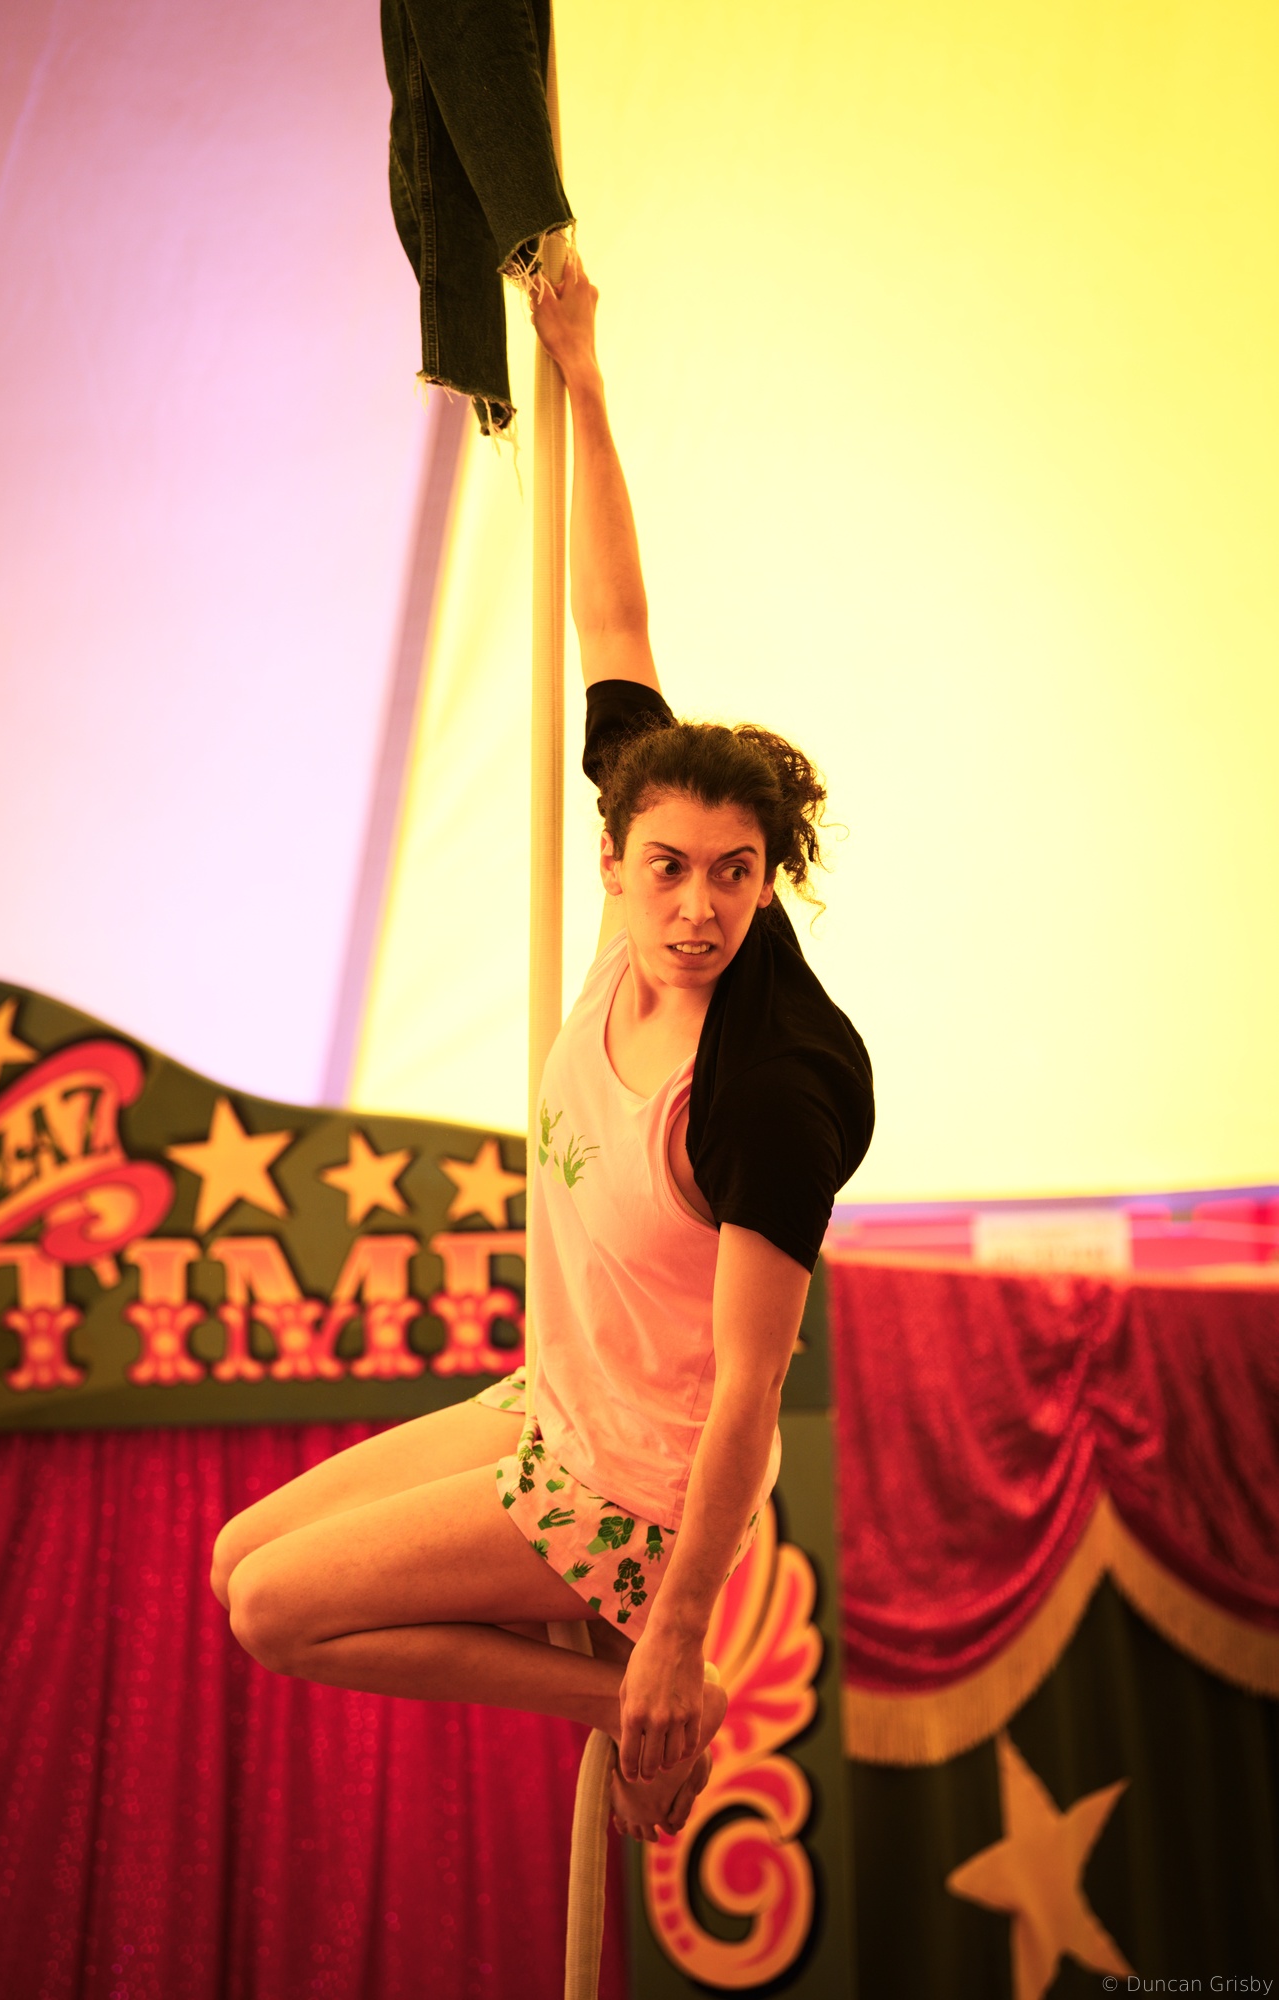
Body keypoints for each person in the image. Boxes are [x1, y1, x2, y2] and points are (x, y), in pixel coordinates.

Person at [210, 260, 873, 1844]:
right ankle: (632, 1677)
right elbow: (614, 615)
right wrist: (581, 371)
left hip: (639, 1499)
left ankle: (637, 1694)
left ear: (768, 872)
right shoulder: (641, 859)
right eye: (670, 870)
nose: (699, 910)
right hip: (554, 1403)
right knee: (237, 1555)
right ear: (616, 854)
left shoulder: (770, 1091)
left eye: (735, 876)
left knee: (275, 1614)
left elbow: (748, 1397)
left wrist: (679, 1633)